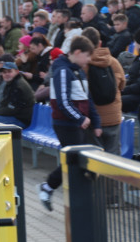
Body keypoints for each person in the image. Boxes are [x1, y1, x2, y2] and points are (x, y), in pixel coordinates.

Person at [38, 36, 101, 211]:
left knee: (77, 159)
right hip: (65, 123)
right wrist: (80, 118)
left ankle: (51, 188)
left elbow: (87, 99)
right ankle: (53, 188)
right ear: (78, 52)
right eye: (87, 56)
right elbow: (62, 102)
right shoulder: (63, 71)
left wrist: (96, 122)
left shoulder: (79, 71)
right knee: (74, 159)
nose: (89, 60)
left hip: (78, 123)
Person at [81, 27, 125, 155]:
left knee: (95, 157)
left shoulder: (83, 65)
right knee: (114, 157)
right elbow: (122, 85)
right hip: (113, 116)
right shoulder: (114, 62)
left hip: (93, 118)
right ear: (99, 43)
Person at [0, 61, 35, 127]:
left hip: (21, 120)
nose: (6, 74)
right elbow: (5, 104)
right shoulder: (11, 83)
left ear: (17, 72)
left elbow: (11, 110)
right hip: (14, 117)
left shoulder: (18, 86)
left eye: (9, 71)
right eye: (4, 72)